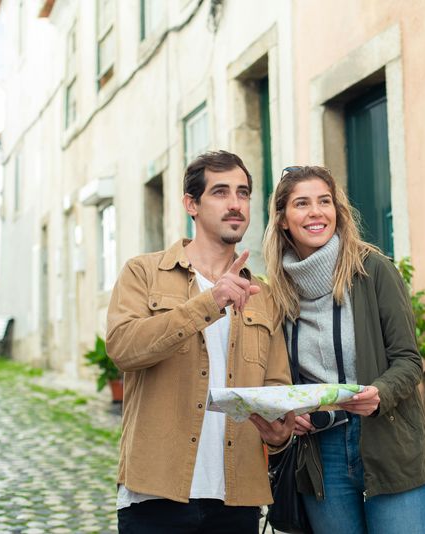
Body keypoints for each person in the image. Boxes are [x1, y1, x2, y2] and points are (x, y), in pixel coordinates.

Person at [106, 150, 295, 533]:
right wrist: (210, 302)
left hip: (237, 497)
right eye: (221, 192)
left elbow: (276, 387)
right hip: (156, 494)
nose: (235, 204)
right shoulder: (144, 273)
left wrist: (280, 434)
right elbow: (124, 348)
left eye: (243, 193)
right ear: (191, 204)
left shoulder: (264, 294)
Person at [263, 165, 425, 534]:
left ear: (337, 211)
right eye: (302, 203)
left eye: (324, 201)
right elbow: (277, 376)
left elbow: (408, 360)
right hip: (320, 453)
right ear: (282, 219)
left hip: (388, 440)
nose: (316, 212)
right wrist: (291, 410)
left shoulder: (373, 270)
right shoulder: (278, 292)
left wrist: (380, 393)